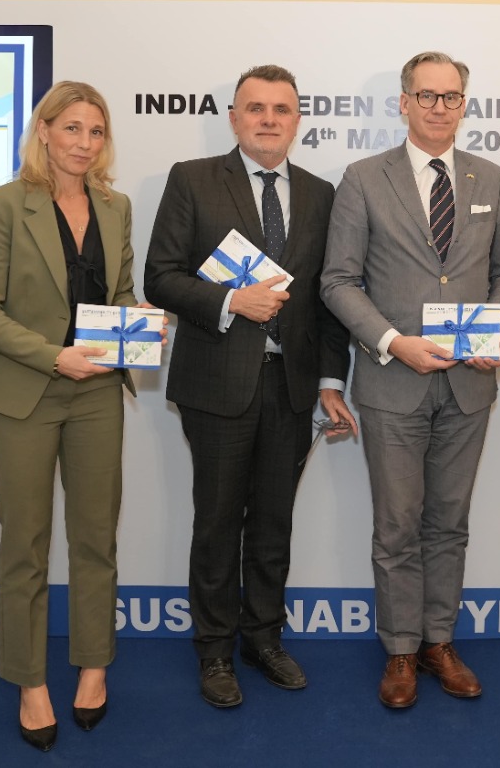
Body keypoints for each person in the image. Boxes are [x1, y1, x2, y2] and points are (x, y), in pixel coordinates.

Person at [321, 50, 500, 709]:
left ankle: (440, 640)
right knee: (396, 525)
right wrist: (392, 342)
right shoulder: (362, 178)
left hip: (469, 384)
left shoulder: (491, 178)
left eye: (451, 96)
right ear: (404, 103)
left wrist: (496, 327)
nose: (440, 107)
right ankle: (401, 648)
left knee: (449, 521)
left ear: (464, 104)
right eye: (427, 95)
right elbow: (338, 280)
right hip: (392, 382)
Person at [143, 64, 354, 709]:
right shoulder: (193, 179)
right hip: (216, 383)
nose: (268, 119)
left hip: (291, 387)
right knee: (216, 522)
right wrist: (232, 300)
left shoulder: (322, 194)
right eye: (255, 108)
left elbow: (327, 299)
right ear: (234, 118)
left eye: (281, 109)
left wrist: (330, 380)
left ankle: (264, 638)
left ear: (298, 120)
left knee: (272, 521)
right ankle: (214, 650)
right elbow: (160, 276)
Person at [0, 81, 149, 752]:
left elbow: (119, 293)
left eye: (96, 132)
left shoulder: (116, 207)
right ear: (44, 131)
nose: (84, 143)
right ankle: (29, 679)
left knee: (96, 537)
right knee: (26, 542)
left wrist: (136, 323)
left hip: (97, 392)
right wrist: (53, 357)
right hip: (25, 392)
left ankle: (94, 666)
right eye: (72, 128)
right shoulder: (2, 205)